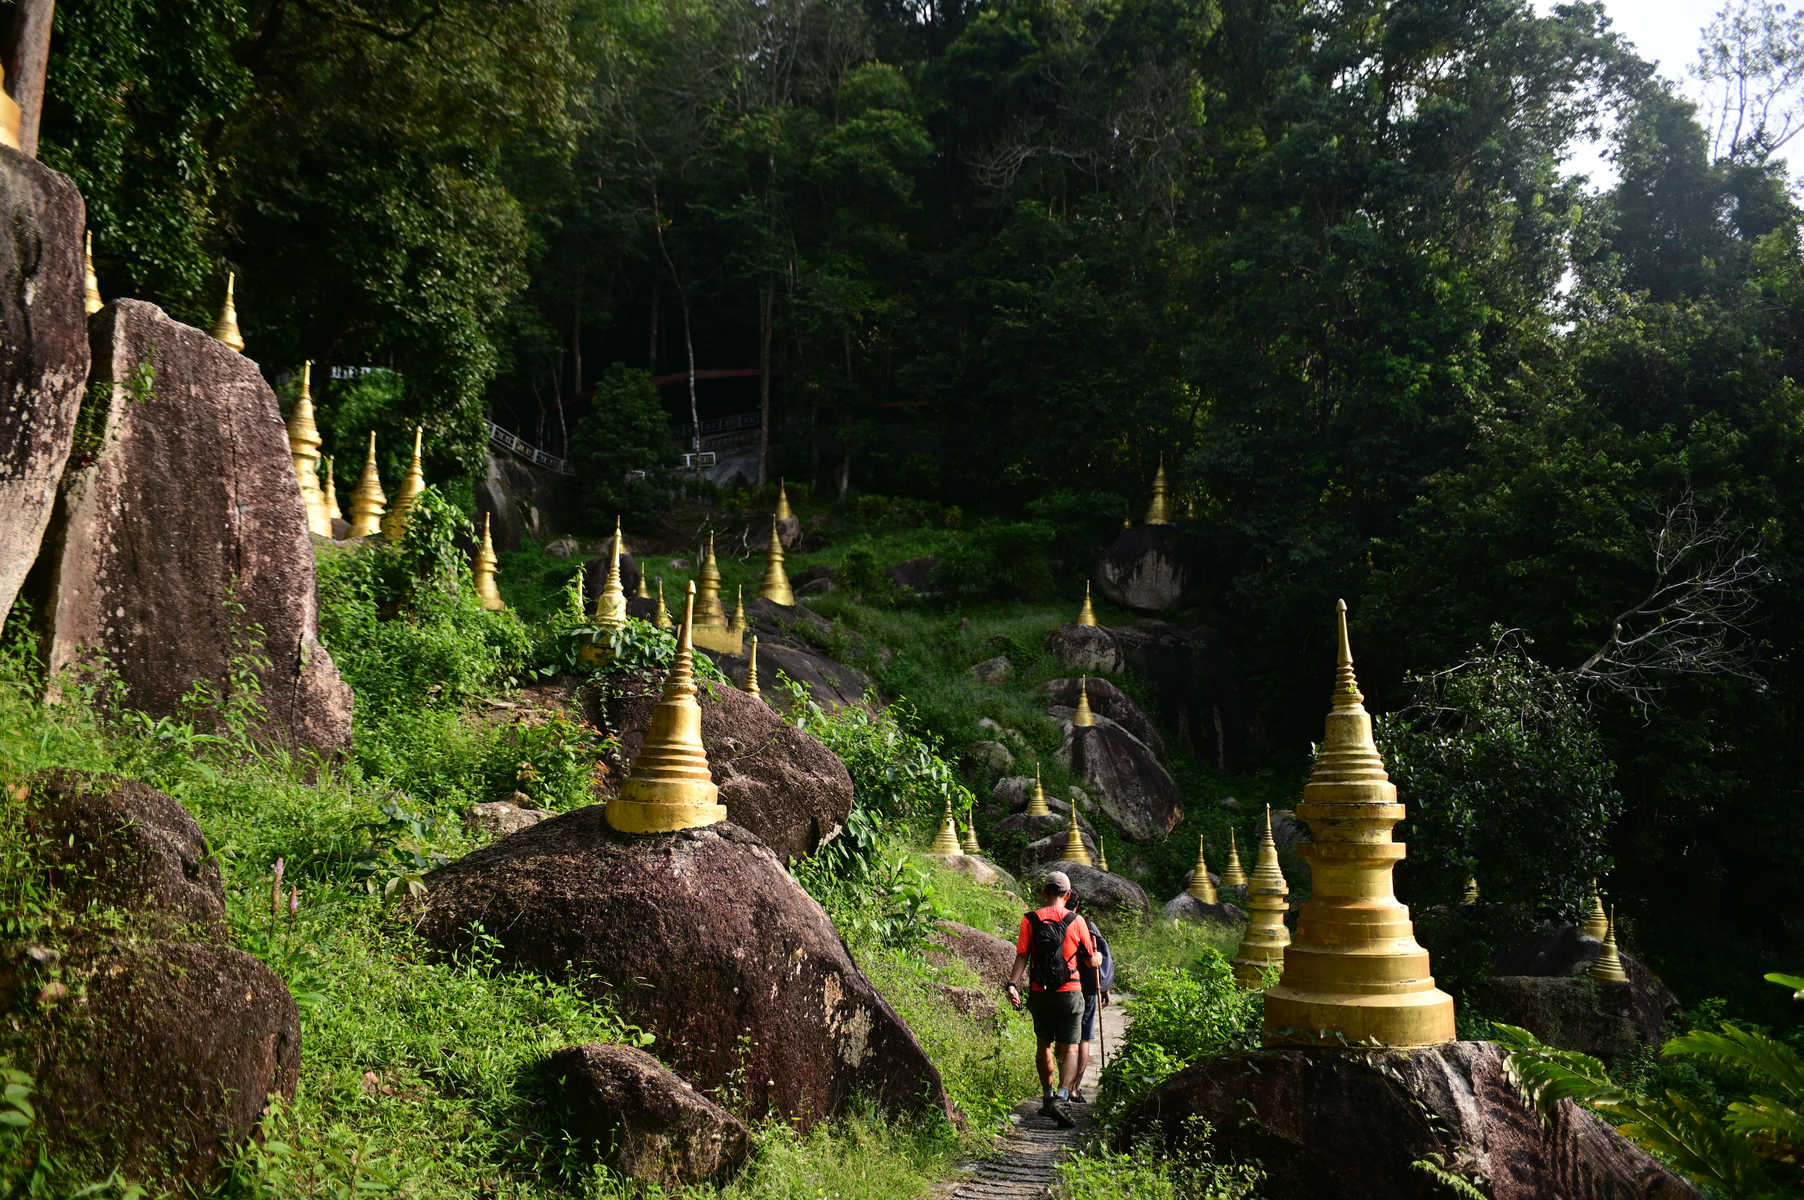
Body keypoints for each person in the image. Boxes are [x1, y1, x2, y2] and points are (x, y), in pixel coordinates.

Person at [1004, 870, 1101, 1128]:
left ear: (1044, 892)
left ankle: (1047, 1098)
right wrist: (1098, 958)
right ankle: (1062, 1096)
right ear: (1067, 895)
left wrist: (1012, 984)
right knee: (1070, 1047)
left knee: (1043, 1045)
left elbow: (1022, 956)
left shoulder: (1030, 920)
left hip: (1040, 992)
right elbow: (1091, 960)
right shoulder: (1077, 920)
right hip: (1070, 993)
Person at [1066, 895, 1113, 1104]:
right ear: (1076, 905)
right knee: (1083, 1037)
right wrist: (1104, 986)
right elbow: (1100, 957)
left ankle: (1062, 1088)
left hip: (1061, 987)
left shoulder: (1051, 922)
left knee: (1066, 1038)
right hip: (1088, 988)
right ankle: (1074, 1088)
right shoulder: (1086, 924)